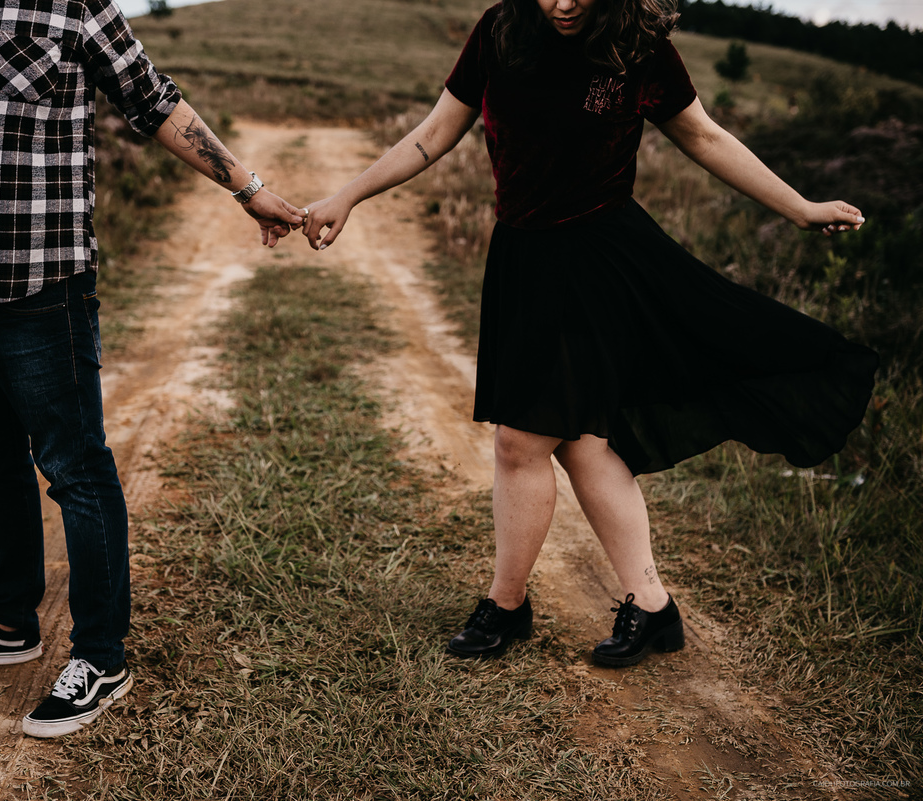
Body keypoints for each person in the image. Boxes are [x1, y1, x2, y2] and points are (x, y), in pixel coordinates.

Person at [301, 0, 877, 665]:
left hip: (598, 259)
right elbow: (434, 133)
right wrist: (349, 193)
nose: (565, 2)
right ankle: (654, 607)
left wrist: (800, 207)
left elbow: (703, 135)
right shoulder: (500, 31)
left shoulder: (636, 43)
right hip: (523, 255)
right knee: (583, 443)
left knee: (521, 438)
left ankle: (506, 605)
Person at [0, 0, 303, 738]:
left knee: (77, 468)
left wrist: (246, 187)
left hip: (42, 286)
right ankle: (11, 619)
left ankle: (101, 656)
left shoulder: (69, 2)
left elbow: (153, 98)